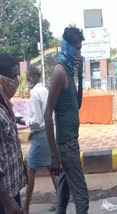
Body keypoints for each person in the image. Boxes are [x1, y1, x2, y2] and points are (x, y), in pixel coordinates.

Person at [44, 26, 89, 214]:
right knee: (82, 198)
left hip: (72, 141)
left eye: (80, 49)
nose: (78, 53)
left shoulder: (69, 72)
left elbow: (77, 104)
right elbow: (47, 113)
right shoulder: (59, 72)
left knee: (63, 194)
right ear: (67, 47)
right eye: (76, 48)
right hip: (66, 144)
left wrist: (79, 76)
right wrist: (54, 156)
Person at [22, 66, 58, 214]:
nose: (28, 80)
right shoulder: (44, 90)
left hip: (40, 135)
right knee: (51, 169)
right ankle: (61, 201)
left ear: (33, 77)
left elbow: (36, 120)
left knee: (31, 170)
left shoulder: (35, 94)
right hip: (48, 133)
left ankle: (26, 208)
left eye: (28, 77)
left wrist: (25, 121)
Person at [0, 53, 27, 214]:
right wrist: (8, 202)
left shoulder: (5, 106)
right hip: (4, 199)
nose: (16, 81)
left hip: (11, 192)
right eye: (13, 76)